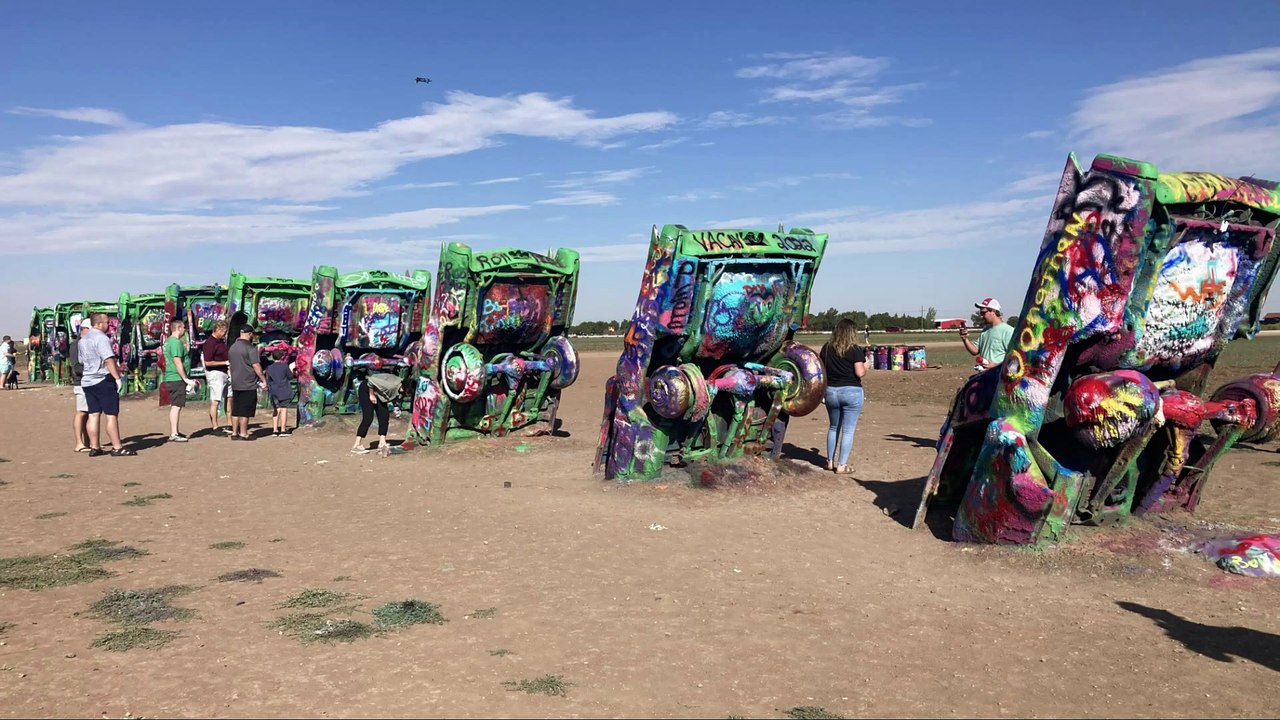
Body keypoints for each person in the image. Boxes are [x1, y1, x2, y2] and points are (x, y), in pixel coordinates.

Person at [80, 312, 135, 456]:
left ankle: (94, 446)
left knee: (93, 414)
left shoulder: (83, 340)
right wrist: (117, 378)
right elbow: (108, 359)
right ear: (98, 324)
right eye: (106, 323)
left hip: (87, 380)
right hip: (102, 379)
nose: (108, 325)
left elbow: (81, 360)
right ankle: (117, 447)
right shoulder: (101, 338)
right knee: (111, 414)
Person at [820, 318, 867, 475]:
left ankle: (829, 461)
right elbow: (859, 372)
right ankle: (841, 465)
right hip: (851, 392)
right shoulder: (855, 349)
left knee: (833, 427)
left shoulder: (826, 348)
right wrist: (867, 366)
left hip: (831, 391)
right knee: (848, 430)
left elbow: (822, 370)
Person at [228, 324, 267, 441]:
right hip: (248, 383)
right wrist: (263, 379)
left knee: (236, 409)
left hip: (235, 382)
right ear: (250, 334)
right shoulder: (251, 348)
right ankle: (243, 433)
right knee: (245, 410)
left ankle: (234, 432)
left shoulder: (232, 347)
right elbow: (256, 366)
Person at [352, 372, 405, 456]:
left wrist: (396, 407)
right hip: (367, 389)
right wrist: (371, 395)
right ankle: (356, 445)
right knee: (368, 417)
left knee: (384, 416)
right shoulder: (391, 385)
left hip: (379, 394)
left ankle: (382, 443)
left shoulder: (399, 389)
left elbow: (394, 396)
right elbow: (371, 381)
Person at [162, 319, 196, 442]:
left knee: (176, 405)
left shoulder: (168, 342)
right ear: (179, 328)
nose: (185, 330)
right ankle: (174, 433)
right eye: (184, 328)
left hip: (172, 377)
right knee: (176, 406)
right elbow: (177, 362)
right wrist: (186, 379)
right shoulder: (175, 342)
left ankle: (175, 431)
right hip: (176, 378)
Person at [961, 297, 1015, 372]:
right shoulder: (985, 330)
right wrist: (965, 338)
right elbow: (975, 351)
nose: (981, 316)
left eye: (983, 313)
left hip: (999, 377)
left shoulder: (1009, 331)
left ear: (993, 311)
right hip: (984, 376)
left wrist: (995, 366)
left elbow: (1014, 359)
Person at [202, 320, 232, 435]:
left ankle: (230, 424)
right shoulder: (209, 343)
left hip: (225, 373)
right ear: (218, 329)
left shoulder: (220, 342)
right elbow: (208, 362)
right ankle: (215, 427)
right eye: (224, 332)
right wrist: (225, 362)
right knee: (215, 401)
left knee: (229, 397)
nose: (225, 334)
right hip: (215, 374)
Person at [69, 316, 91, 452]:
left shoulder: (86, 343)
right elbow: (76, 367)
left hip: (89, 381)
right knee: (81, 412)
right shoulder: (76, 345)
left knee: (89, 413)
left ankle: (88, 442)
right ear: (84, 329)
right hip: (81, 382)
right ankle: (79, 442)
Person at [265, 350, 294, 437]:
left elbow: (268, 379)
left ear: (272, 357)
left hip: (274, 390)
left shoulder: (269, 368)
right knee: (284, 409)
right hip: (284, 390)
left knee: (276, 410)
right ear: (282, 357)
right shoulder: (285, 366)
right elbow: (290, 377)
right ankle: (283, 430)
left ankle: (274, 430)